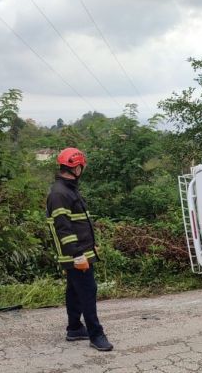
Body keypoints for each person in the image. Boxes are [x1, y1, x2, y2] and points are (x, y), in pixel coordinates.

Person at [46, 147, 113, 351]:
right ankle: (96, 335)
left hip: (82, 250)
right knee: (87, 290)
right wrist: (77, 255)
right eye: (81, 166)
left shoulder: (68, 189)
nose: (82, 170)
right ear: (76, 167)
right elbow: (63, 228)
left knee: (74, 291)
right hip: (75, 253)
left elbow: (79, 223)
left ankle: (74, 328)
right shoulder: (60, 193)